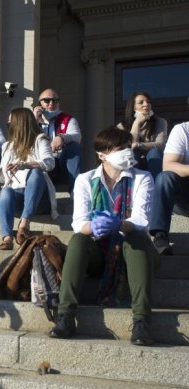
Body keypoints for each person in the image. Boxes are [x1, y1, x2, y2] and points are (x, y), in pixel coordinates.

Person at [49, 127, 158, 346]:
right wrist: (94, 227)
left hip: (134, 254)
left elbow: (142, 220)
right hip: (99, 252)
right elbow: (79, 222)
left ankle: (141, 321)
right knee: (78, 240)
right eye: (120, 149)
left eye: (128, 147)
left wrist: (118, 224)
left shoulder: (142, 178)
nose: (127, 152)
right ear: (102, 154)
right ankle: (65, 316)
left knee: (135, 238)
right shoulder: (85, 180)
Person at [0, 108, 56, 250]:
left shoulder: (40, 140)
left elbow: (49, 163)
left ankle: (24, 224)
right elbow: (2, 178)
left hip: (38, 199)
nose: (8, 124)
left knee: (36, 173)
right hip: (16, 199)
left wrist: (24, 165)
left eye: (11, 121)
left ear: (20, 123)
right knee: (5, 190)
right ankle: (7, 237)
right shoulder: (7, 146)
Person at [149, 121, 189, 255]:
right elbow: (168, 165)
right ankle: (160, 235)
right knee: (165, 178)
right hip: (185, 197)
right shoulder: (182, 130)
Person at [32, 89, 82, 196]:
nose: (51, 103)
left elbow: (77, 136)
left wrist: (62, 137)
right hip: (42, 164)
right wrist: (34, 120)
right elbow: (25, 139)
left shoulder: (68, 119)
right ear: (39, 103)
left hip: (60, 163)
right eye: (47, 100)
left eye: (55, 100)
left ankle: (75, 192)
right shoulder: (32, 122)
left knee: (74, 147)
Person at [117, 91, 168, 179]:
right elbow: (128, 147)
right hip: (134, 160)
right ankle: (131, 186)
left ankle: (155, 187)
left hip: (154, 160)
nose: (146, 104)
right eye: (141, 102)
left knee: (154, 152)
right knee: (132, 152)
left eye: (148, 102)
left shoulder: (160, 122)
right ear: (133, 107)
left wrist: (139, 145)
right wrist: (136, 124)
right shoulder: (121, 127)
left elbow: (160, 144)